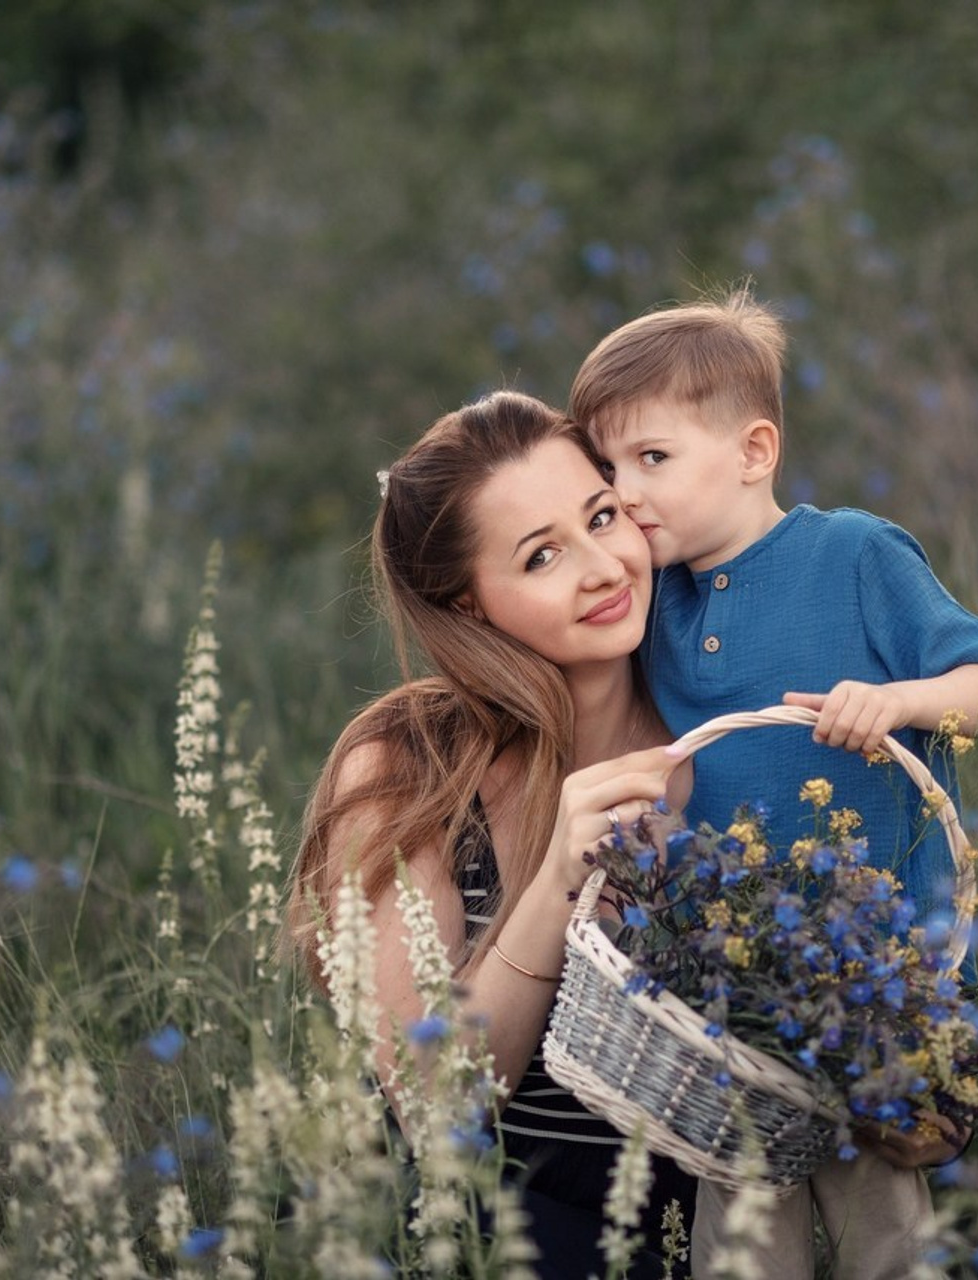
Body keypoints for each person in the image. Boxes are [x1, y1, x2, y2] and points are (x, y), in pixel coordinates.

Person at [569, 291, 978, 1280]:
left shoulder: (851, 551)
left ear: (752, 449)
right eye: (606, 469)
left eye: (651, 457)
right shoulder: (654, 600)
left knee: (884, 1233)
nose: (625, 490)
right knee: (740, 1240)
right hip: (732, 997)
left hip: (875, 982)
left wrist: (900, 699)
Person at [284, 391, 696, 1279]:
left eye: (603, 516)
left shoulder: (729, 740)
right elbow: (435, 1107)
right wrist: (556, 882)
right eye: (543, 555)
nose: (603, 567)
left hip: (683, 1230)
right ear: (470, 606)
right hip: (467, 1223)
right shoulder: (410, 766)